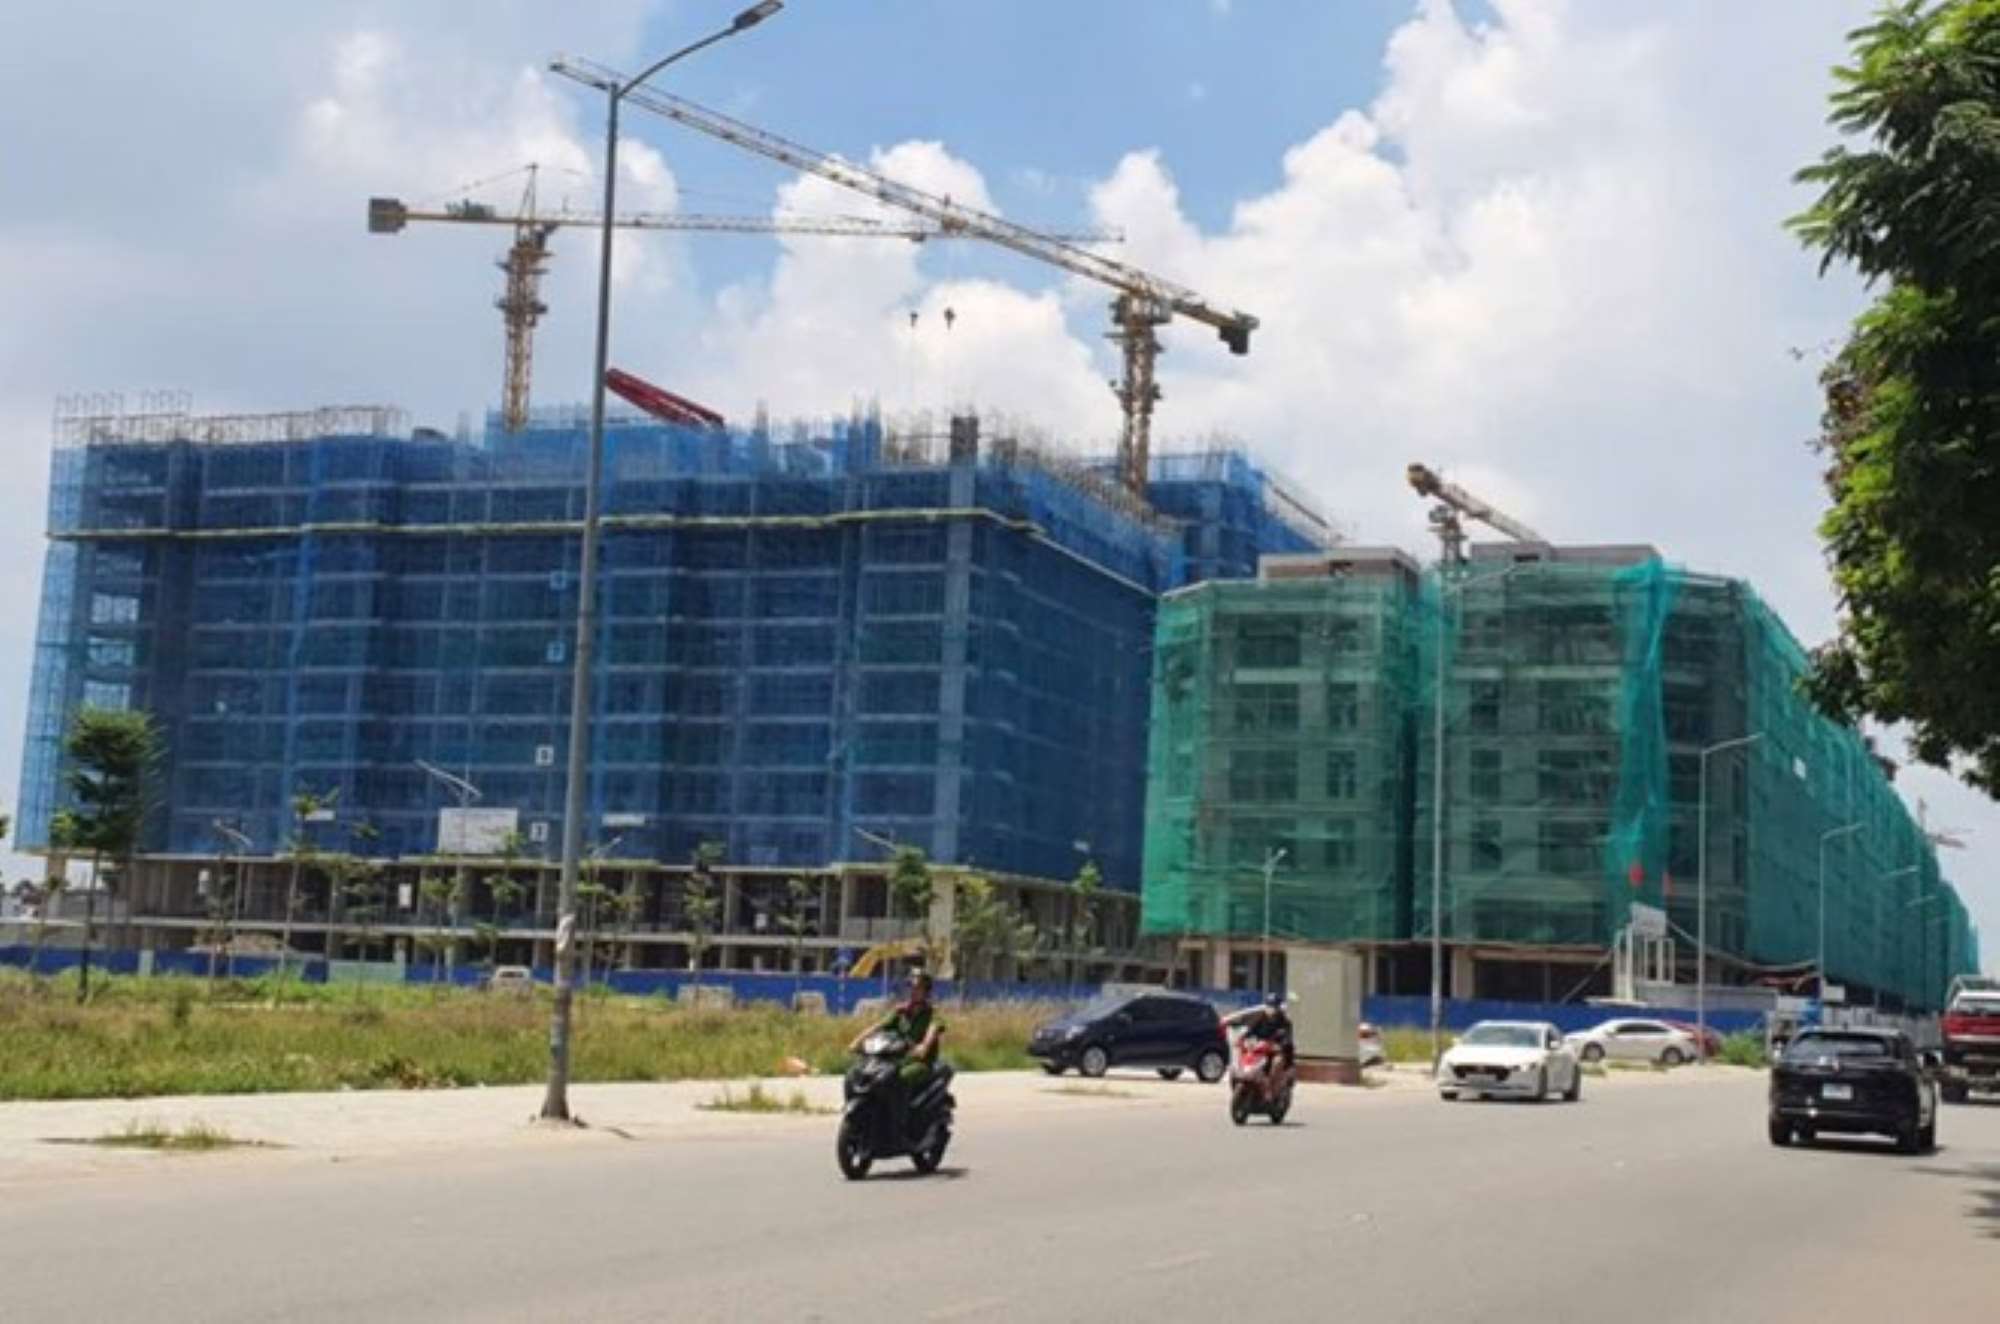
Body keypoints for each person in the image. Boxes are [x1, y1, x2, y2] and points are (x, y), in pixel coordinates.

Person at [851, 970, 947, 1127]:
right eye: (911, 988)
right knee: (859, 1072)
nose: (913, 992)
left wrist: (923, 1046)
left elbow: (933, 1030)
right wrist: (858, 1040)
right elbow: (879, 1026)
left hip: (921, 1063)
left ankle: (900, 1122)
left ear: (926, 991)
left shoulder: (932, 1014)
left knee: (900, 1078)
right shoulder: (901, 1012)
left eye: (918, 988)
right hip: (895, 1059)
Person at [1221, 993, 1296, 1089]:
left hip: (1276, 1050)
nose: (1270, 1009)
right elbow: (1251, 1030)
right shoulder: (1260, 1018)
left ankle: (1270, 1087)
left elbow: (1287, 1037)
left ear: (1278, 1008)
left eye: (1273, 1006)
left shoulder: (1285, 1022)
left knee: (1276, 1062)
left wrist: (1281, 1044)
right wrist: (1242, 1039)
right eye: (1269, 1006)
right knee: (1244, 1057)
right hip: (1260, 1047)